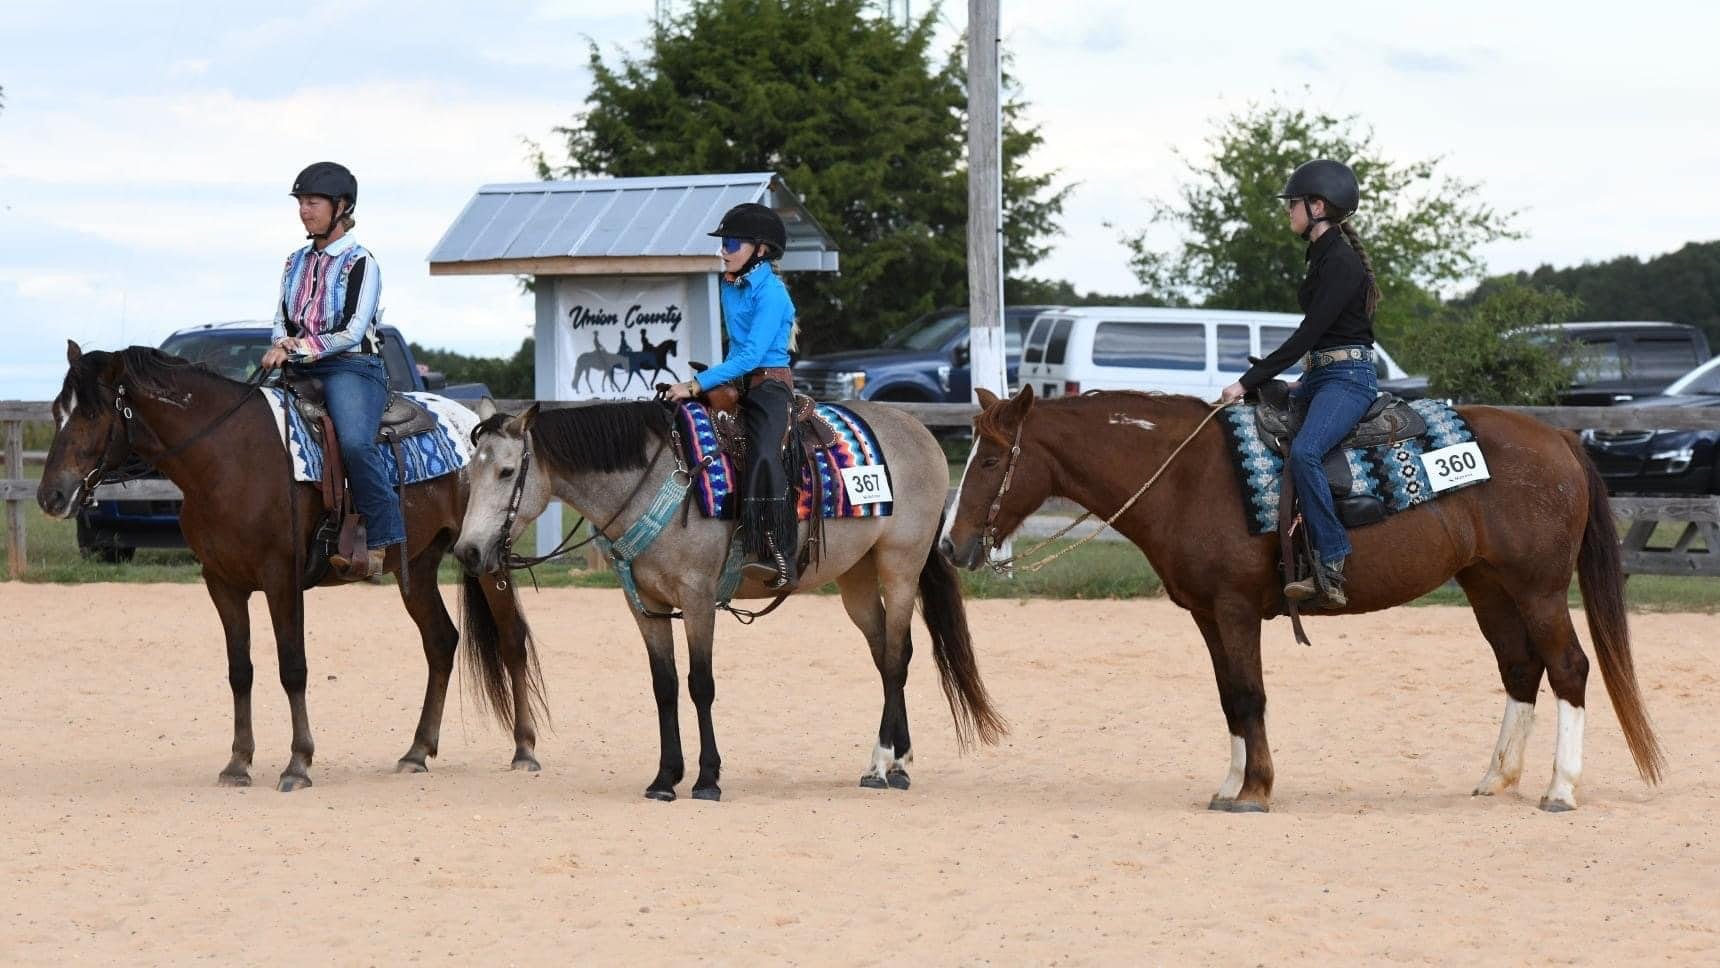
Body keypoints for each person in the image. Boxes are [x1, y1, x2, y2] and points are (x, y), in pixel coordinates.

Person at [1219, 159, 1384, 608]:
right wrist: (1296, 382)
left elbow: (1307, 335)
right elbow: (1321, 340)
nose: (1288, 212)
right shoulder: (1322, 256)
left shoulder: (1342, 263)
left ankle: (1332, 563)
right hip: (1321, 376)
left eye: (1293, 204)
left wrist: (1246, 380)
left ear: (1317, 206)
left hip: (1348, 380)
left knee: (1308, 452)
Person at [260, 161, 400, 580]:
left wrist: (299, 348)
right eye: (301, 202)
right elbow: (281, 317)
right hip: (300, 365)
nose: (305, 210)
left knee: (356, 443)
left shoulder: (362, 262)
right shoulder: (294, 262)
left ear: (341, 207)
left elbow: (352, 330)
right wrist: (280, 342)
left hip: (351, 367)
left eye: (313, 202)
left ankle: (383, 538)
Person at [665, 203, 799, 589]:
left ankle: (779, 552)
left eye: (732, 243)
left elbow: (751, 355)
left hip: (770, 385)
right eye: (723, 242)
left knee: (764, 453)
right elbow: (737, 353)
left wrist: (696, 384)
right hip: (739, 381)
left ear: (760, 249)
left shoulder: (771, 293)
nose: (723, 249)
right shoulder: (729, 282)